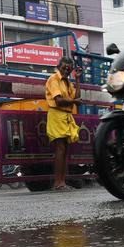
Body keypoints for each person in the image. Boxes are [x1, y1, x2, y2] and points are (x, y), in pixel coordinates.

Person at [45, 56, 79, 190]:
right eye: (64, 67)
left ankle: (62, 182)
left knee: (65, 150)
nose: (66, 70)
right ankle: (58, 183)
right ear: (59, 66)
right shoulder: (54, 79)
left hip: (65, 115)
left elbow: (76, 97)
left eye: (69, 69)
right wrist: (74, 102)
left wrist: (77, 79)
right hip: (56, 114)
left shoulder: (67, 82)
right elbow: (58, 101)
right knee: (60, 149)